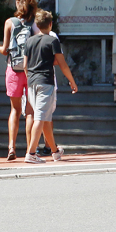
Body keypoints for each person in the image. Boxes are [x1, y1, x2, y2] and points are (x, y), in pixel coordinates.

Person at [23, 10, 78, 164]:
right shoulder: (52, 41)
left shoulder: (29, 41)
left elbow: (25, 65)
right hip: (45, 82)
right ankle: (31, 153)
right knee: (40, 118)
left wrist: (30, 78)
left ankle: (55, 151)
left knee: (45, 118)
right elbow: (62, 64)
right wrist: (72, 81)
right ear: (50, 24)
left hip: (31, 83)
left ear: (37, 25)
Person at [0, 0, 38, 161]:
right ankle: (30, 150)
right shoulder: (34, 23)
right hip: (31, 70)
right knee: (30, 111)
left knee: (15, 110)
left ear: (17, 3)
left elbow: (5, 50)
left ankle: (11, 146)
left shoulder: (9, 22)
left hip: (13, 70)